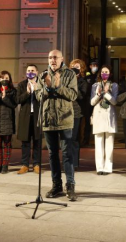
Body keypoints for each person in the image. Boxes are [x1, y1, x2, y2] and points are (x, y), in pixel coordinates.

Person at [35, 50, 79, 201]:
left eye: (55, 57)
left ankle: (70, 186)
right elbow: (37, 95)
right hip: (48, 120)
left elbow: (73, 95)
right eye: (49, 58)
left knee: (67, 154)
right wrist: (47, 88)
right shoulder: (42, 75)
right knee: (52, 155)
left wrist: (59, 86)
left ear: (62, 59)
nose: (52, 60)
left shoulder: (70, 75)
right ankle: (56, 186)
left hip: (65, 119)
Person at [90, 66, 119, 175]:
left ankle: (108, 167)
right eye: (102, 72)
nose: (104, 74)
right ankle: (100, 167)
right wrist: (98, 94)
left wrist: (106, 93)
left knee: (109, 144)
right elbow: (92, 102)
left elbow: (115, 102)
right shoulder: (95, 86)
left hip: (109, 116)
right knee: (98, 143)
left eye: (106, 72)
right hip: (98, 114)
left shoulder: (114, 85)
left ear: (110, 73)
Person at [0, 71, 17, 174]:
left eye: (6, 78)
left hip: (8, 120)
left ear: (9, 79)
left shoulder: (13, 91)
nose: (4, 80)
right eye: (2, 78)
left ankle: (5, 165)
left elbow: (14, 105)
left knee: (7, 144)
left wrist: (4, 97)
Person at [17, 65, 41, 174]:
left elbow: (43, 99)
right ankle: (25, 165)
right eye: (28, 71)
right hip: (25, 116)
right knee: (25, 142)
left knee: (37, 141)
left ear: (37, 72)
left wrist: (36, 90)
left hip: (37, 116)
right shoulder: (22, 85)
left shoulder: (41, 84)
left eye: (32, 70)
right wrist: (27, 93)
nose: (30, 72)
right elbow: (18, 100)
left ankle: (36, 164)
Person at [69, 59, 89, 170]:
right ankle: (67, 161)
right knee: (66, 138)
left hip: (77, 112)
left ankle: (74, 163)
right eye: (72, 66)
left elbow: (81, 96)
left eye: (77, 66)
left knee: (74, 138)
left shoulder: (83, 82)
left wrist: (74, 83)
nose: (74, 68)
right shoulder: (66, 80)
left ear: (81, 69)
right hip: (65, 112)